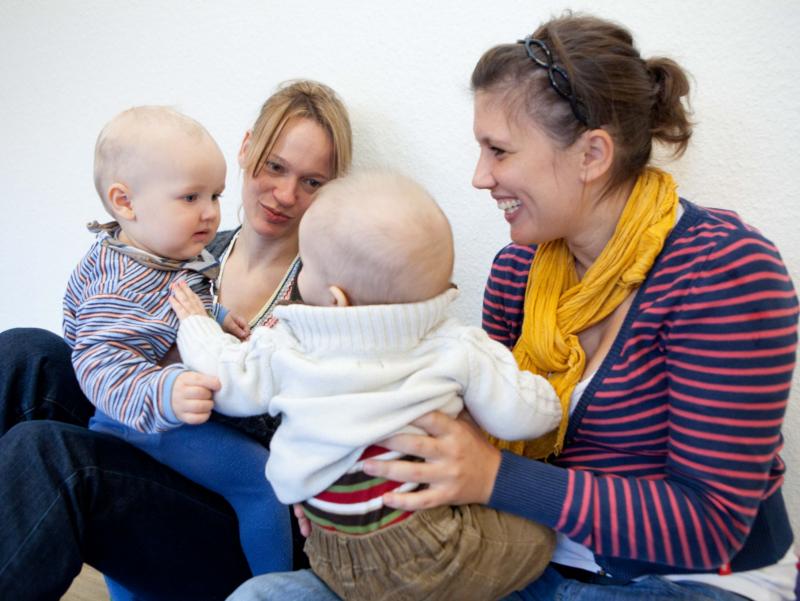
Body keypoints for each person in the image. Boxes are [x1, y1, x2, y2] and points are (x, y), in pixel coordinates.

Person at [228, 13, 798, 601]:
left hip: (686, 579)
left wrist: (497, 477)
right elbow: (467, 432)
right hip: (520, 556)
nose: (480, 177)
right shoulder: (519, 272)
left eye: (498, 150)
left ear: (592, 155)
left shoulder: (722, 270)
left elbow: (710, 526)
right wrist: (350, 489)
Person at [0, 79, 353, 600]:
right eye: (275, 166)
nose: (285, 194)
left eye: (312, 182)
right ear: (247, 146)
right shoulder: (189, 248)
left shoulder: (324, 286)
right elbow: (97, 327)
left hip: (232, 513)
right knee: (23, 352)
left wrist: (208, 363)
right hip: (152, 436)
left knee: (49, 452)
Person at [169, 170, 560, 601]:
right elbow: (525, 418)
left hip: (328, 547)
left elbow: (225, 378)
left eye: (307, 267)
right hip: (428, 549)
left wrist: (196, 325)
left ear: (338, 298)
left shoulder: (286, 343)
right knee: (540, 534)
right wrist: (550, 395)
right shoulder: (456, 345)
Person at [63, 104, 295, 578]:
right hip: (144, 418)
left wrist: (220, 317)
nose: (210, 213)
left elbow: (183, 303)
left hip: (160, 413)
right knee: (263, 481)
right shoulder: (117, 283)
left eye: (214, 195)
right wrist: (163, 392)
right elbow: (100, 363)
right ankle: (276, 589)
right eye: (190, 197)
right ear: (125, 203)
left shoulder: (163, 253)